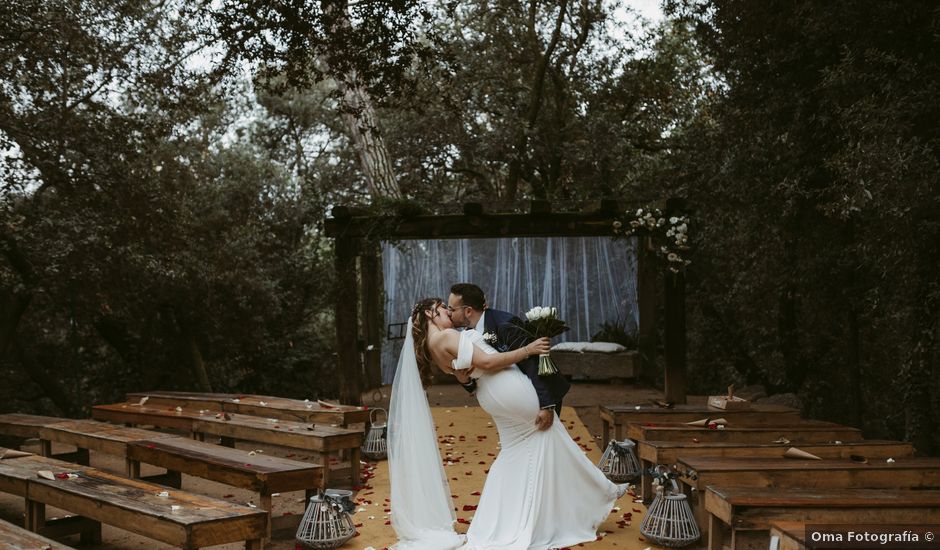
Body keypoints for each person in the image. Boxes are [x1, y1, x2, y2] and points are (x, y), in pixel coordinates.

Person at [388, 298, 627, 550]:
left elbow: (464, 374)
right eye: (443, 309)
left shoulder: (431, 346)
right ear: (429, 313)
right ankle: (600, 493)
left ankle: (500, 519)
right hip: (507, 389)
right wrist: (529, 349)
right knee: (551, 436)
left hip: (490, 396)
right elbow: (488, 363)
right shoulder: (447, 336)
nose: (449, 313)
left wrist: (463, 375)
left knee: (519, 452)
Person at [447, 283, 571, 428]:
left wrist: (546, 406)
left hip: (538, 396)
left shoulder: (505, 324)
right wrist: (465, 381)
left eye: (451, 309)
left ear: (468, 311)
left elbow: (532, 361)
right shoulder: (467, 334)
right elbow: (479, 374)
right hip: (512, 404)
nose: (448, 313)